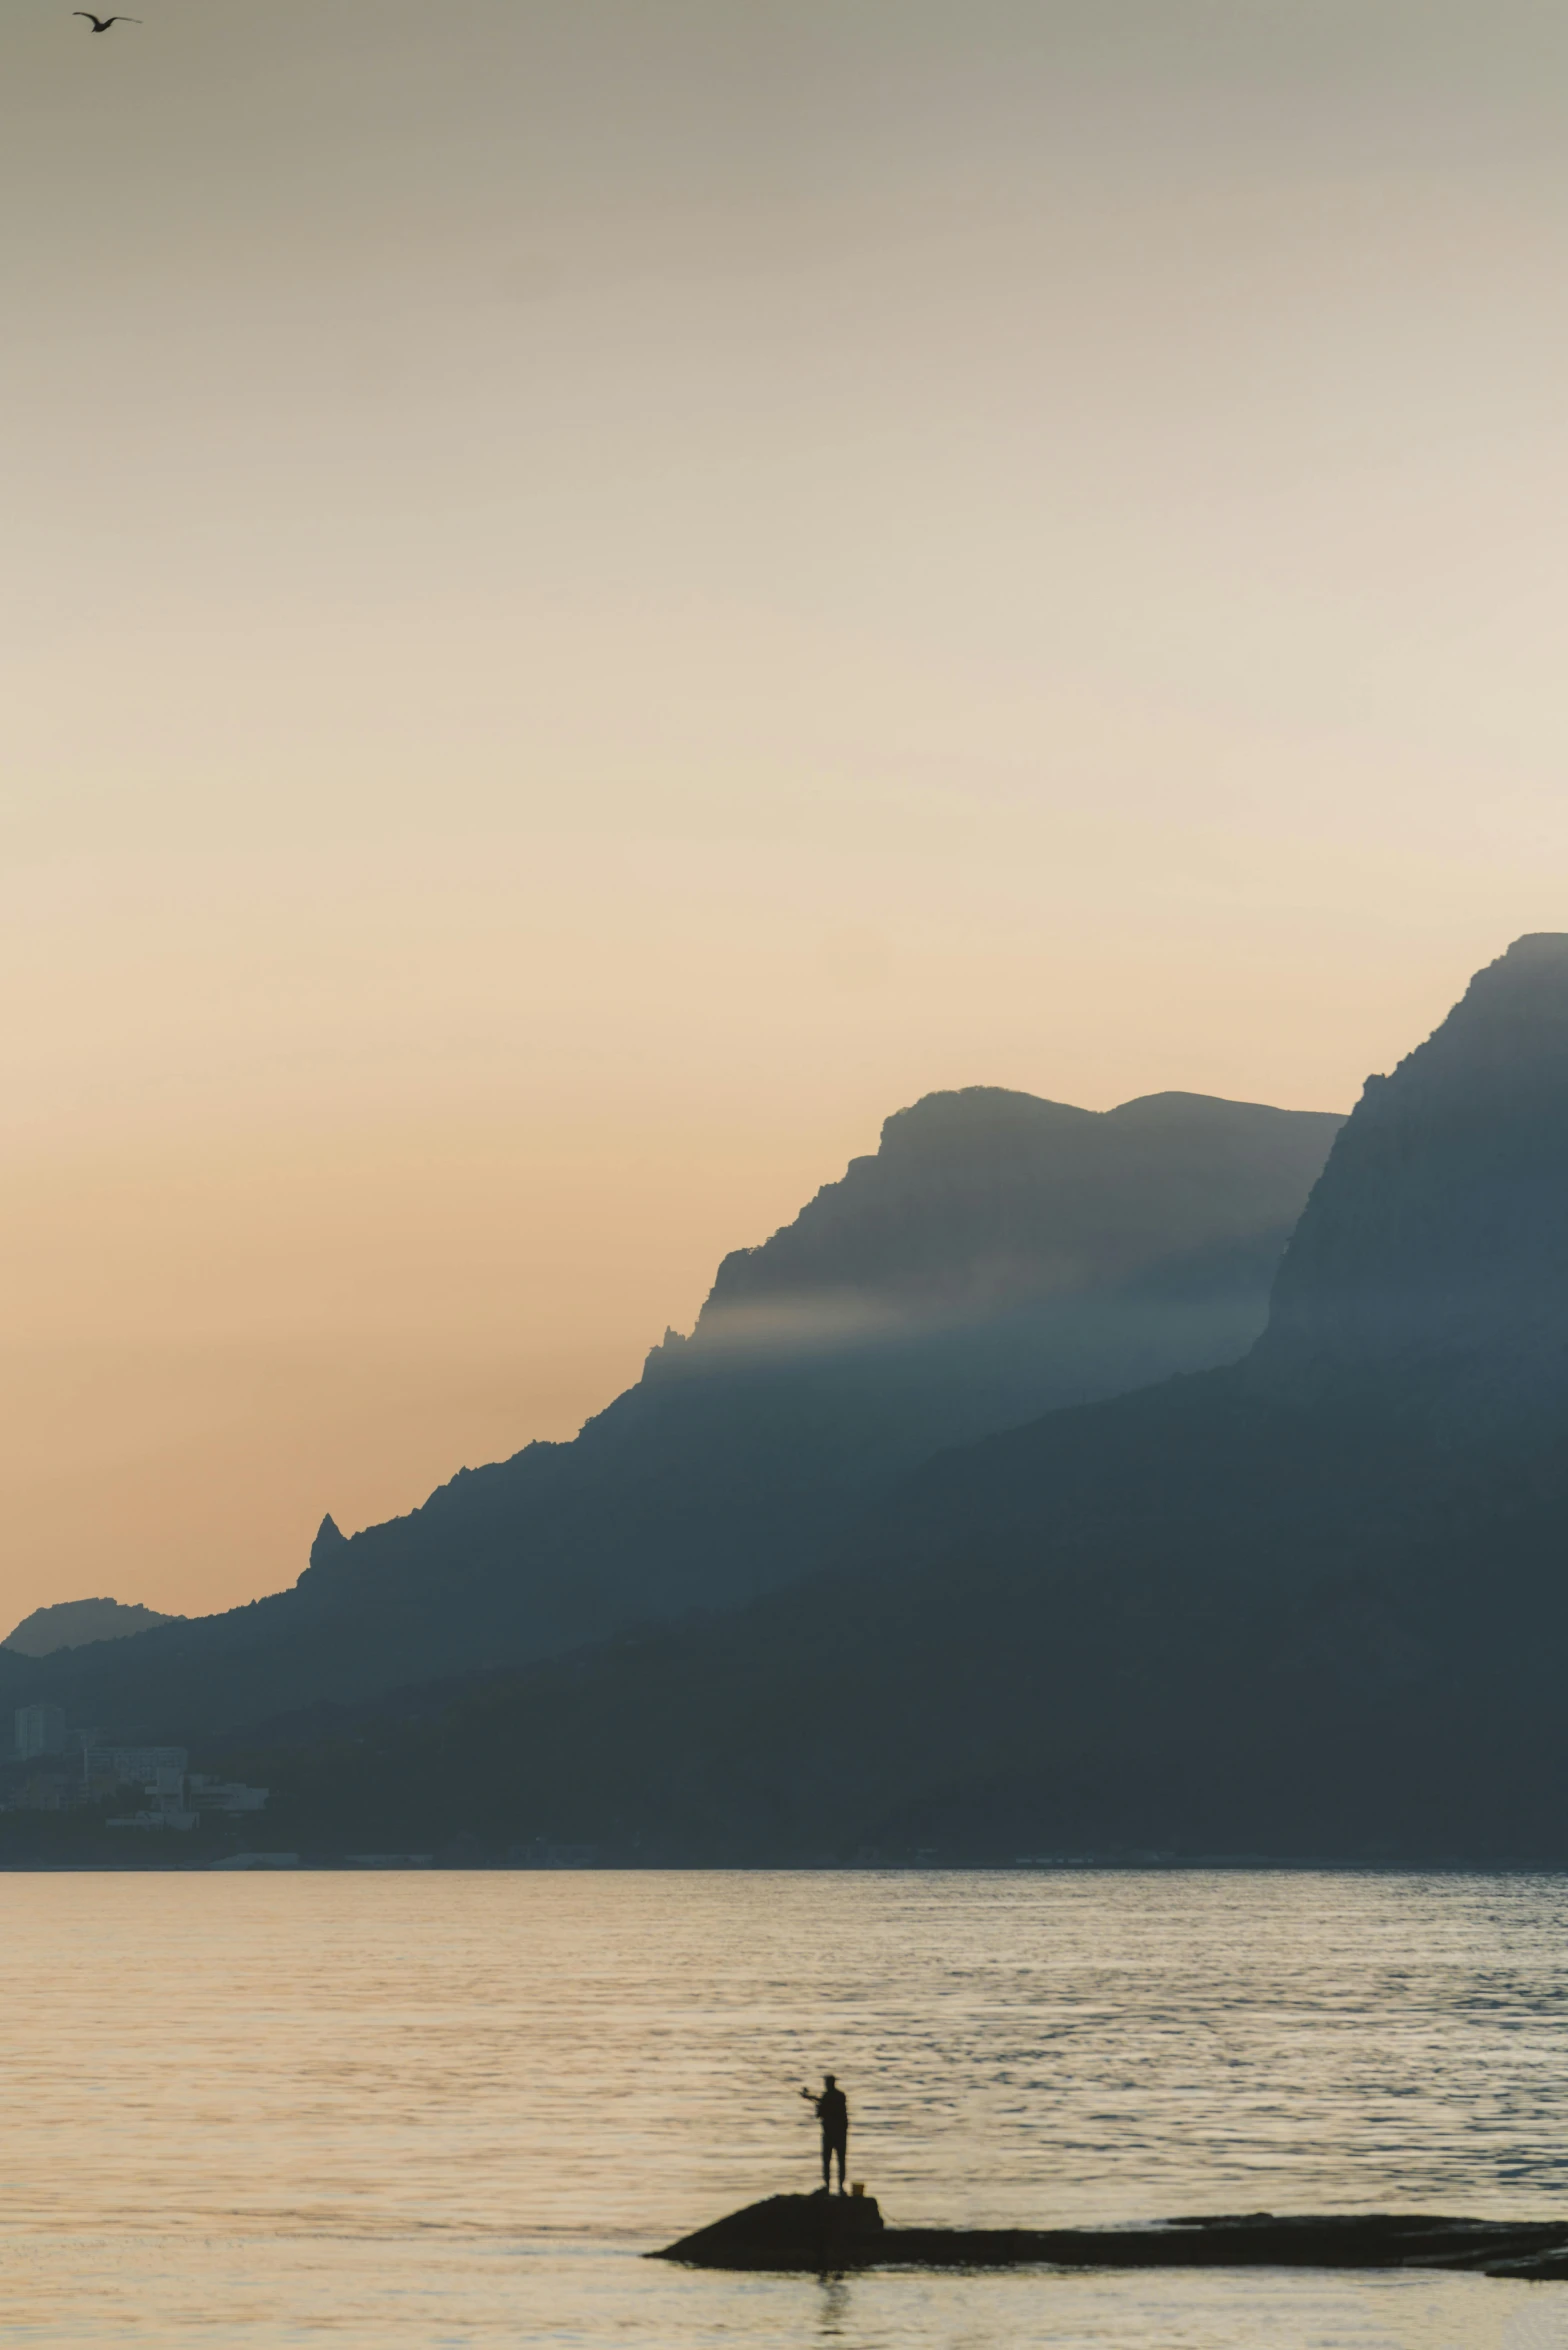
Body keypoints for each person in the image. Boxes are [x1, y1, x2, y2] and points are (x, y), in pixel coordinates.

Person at [800, 2072, 849, 2193]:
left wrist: (810, 2098)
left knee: (827, 2161)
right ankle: (840, 2188)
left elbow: (819, 2113)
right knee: (841, 2161)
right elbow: (825, 2102)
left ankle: (827, 2187)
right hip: (841, 2134)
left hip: (829, 2134)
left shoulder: (827, 2097)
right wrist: (813, 2098)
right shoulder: (841, 2095)